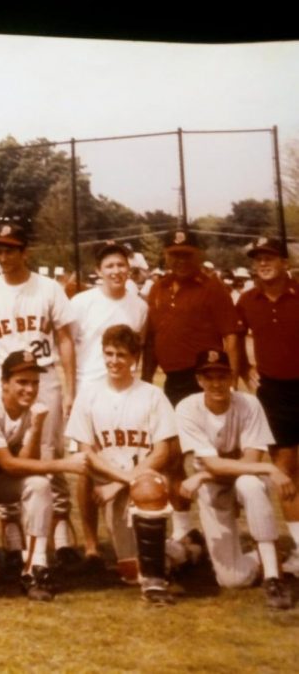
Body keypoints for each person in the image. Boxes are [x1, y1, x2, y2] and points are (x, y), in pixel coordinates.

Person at [0, 223, 78, 566]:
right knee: (7, 456)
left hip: (43, 376)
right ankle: (11, 522)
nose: (4, 256)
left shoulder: (47, 288)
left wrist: (70, 386)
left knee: (48, 449)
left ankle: (59, 521)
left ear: (25, 252)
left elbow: (64, 338)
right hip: (5, 383)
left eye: (11, 249)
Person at [66, 325, 178, 604]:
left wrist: (122, 483)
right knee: (130, 572)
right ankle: (180, 551)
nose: (114, 361)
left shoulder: (152, 394)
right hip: (109, 478)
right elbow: (86, 452)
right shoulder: (89, 394)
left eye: (121, 355)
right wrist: (119, 480)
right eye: (109, 353)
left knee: (147, 493)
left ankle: (180, 554)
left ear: (134, 359)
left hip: (144, 481)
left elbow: (163, 451)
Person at [142, 227, 239, 547]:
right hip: (172, 383)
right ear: (166, 255)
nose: (179, 260)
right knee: (170, 456)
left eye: (186, 254)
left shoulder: (213, 288)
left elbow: (231, 337)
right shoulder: (158, 287)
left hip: (205, 381)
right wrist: (144, 383)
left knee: (214, 455)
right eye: (173, 254)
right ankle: (183, 529)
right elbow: (152, 341)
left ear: (197, 255)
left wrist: (232, 383)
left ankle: (225, 532)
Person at [176, 349, 294, 609]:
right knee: (232, 580)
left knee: (250, 485)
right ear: (199, 380)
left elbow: (251, 462)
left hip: (244, 476)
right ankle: (264, 556)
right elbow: (212, 463)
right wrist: (270, 469)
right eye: (209, 377)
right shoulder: (187, 408)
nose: (216, 384)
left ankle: (274, 578)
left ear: (231, 378)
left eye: (222, 376)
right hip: (212, 485)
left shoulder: (249, 404)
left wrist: (202, 475)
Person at [0, 351, 88, 600]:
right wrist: (64, 464)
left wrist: (36, 427)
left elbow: (27, 463)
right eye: (22, 382)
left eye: (35, 382)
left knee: (38, 484)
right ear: (3, 383)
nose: (30, 389)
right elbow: (9, 465)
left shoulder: (31, 408)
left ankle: (35, 566)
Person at [68, 240, 148, 564]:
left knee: (124, 459)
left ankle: (126, 537)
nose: (116, 271)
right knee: (86, 467)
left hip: (124, 392)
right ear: (98, 271)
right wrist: (71, 391)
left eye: (121, 265)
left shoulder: (139, 307)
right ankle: (90, 543)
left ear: (129, 268)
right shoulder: (80, 302)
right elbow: (68, 348)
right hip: (89, 388)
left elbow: (139, 348)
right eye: (109, 266)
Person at [236, 236, 299, 575]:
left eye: (270, 257)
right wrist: (245, 370)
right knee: (287, 471)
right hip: (275, 393)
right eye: (258, 258)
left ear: (285, 262)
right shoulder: (247, 300)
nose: (263, 263)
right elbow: (237, 340)